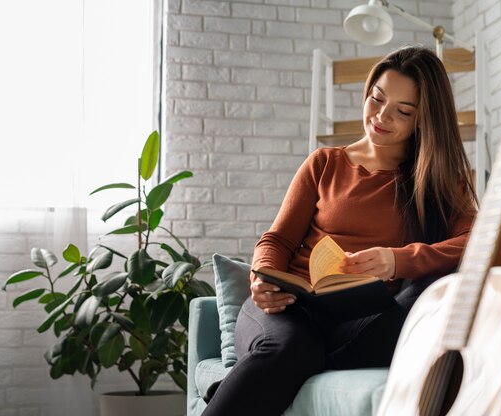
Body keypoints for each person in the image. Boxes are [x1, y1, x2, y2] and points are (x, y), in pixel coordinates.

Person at [202, 45, 477, 416]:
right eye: (376, 99)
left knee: (433, 292)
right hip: (288, 310)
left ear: (423, 120)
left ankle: (251, 382)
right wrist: (261, 280)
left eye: (403, 111)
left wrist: (398, 260)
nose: (381, 116)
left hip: (361, 324)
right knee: (291, 348)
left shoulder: (438, 181)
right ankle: (271, 371)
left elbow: (475, 242)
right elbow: (277, 240)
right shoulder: (325, 163)